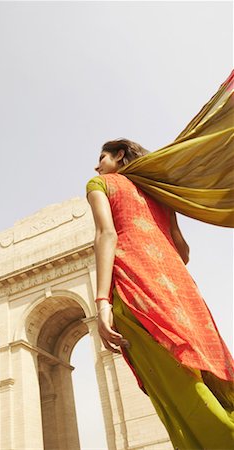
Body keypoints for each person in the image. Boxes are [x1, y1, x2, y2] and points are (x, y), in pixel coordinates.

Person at [86, 138, 234, 450]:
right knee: (206, 370)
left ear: (119, 155)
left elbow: (106, 234)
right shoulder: (158, 193)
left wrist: (101, 303)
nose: (96, 165)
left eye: (101, 157)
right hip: (182, 291)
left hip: (135, 287)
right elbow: (183, 250)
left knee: (176, 386)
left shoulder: (100, 183)